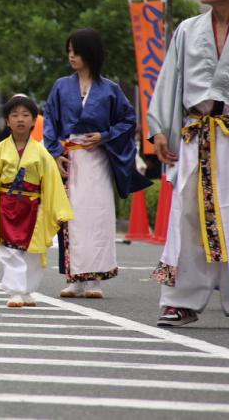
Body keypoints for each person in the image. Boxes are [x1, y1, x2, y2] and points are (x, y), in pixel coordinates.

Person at [148, 0, 229, 329]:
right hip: (195, 133)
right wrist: (161, 128)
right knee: (188, 215)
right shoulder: (188, 30)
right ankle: (180, 300)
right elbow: (170, 81)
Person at [44, 28, 150, 299]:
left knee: (98, 216)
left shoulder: (110, 89)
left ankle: (95, 279)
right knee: (71, 217)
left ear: (89, 54)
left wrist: (104, 136)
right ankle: (74, 277)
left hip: (98, 158)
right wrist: (56, 153)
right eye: (69, 51)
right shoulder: (61, 86)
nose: (71, 56)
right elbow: (50, 122)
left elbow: (128, 121)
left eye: (76, 51)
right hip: (70, 158)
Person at [0, 96, 73, 307]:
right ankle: (15, 291)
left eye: (25, 115)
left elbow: (52, 183)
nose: (20, 119)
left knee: (33, 252)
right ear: (7, 122)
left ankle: (27, 290)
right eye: (14, 115)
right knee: (10, 250)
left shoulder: (41, 152)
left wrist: (58, 210)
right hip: (7, 206)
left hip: (33, 208)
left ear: (34, 121)